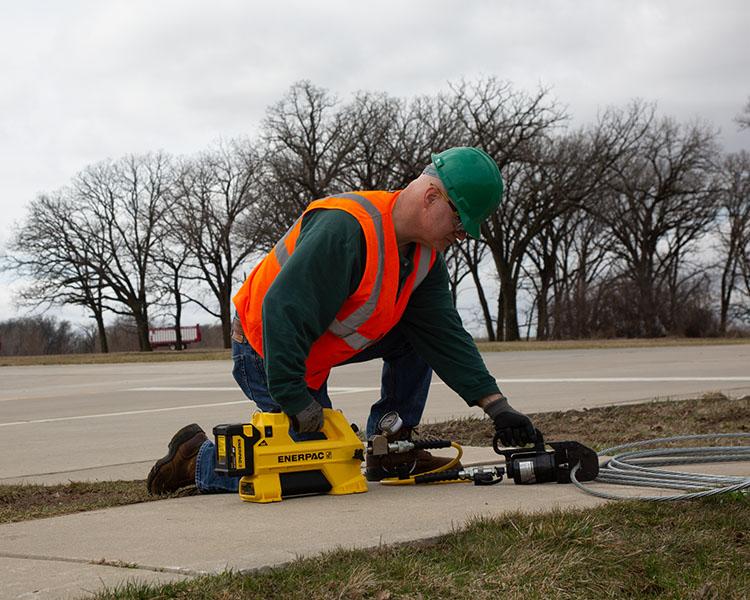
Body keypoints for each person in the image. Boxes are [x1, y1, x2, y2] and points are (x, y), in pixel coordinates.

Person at [147, 146, 537, 495]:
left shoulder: (424, 259)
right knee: (324, 468)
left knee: (417, 338)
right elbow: (282, 312)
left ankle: (392, 446)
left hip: (312, 351)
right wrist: (295, 398)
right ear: (432, 197)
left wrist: (496, 406)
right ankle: (197, 459)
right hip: (266, 349)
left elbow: (444, 335)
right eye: (460, 220)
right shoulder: (346, 229)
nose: (462, 234)